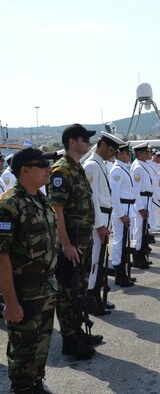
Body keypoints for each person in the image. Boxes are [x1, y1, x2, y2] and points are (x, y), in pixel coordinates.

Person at [0, 148, 57, 394]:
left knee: (41, 346)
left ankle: (35, 383)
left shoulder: (40, 198)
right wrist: (10, 303)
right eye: (42, 164)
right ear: (25, 170)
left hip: (46, 287)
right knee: (23, 351)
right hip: (24, 291)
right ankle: (22, 388)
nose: (49, 168)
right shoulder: (9, 205)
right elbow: (1, 258)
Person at [48, 123, 100, 360]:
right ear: (72, 142)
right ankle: (69, 339)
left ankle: (78, 331)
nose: (87, 142)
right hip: (72, 243)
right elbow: (56, 210)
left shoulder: (76, 168)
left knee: (78, 288)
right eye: (84, 139)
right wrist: (66, 245)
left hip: (83, 240)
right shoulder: (62, 171)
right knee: (68, 291)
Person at [83, 131, 124, 317]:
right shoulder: (91, 166)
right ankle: (91, 299)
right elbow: (92, 199)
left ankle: (96, 298)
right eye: (112, 149)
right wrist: (100, 225)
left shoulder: (101, 165)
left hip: (104, 217)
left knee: (99, 260)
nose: (113, 154)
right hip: (97, 220)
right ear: (103, 145)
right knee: (94, 261)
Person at [109, 143, 136, 288]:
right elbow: (114, 195)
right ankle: (119, 274)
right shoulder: (117, 170)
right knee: (119, 242)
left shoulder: (122, 168)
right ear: (119, 153)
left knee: (125, 241)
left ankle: (124, 272)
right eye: (126, 152)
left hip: (127, 207)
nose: (129, 154)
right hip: (122, 209)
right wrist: (120, 214)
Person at [131, 142, 154, 269]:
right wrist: (140, 208)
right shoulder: (138, 167)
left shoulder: (143, 165)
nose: (148, 154)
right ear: (140, 153)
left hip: (146, 200)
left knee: (143, 229)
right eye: (146, 152)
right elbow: (135, 189)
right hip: (142, 201)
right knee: (139, 230)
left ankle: (142, 254)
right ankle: (137, 257)